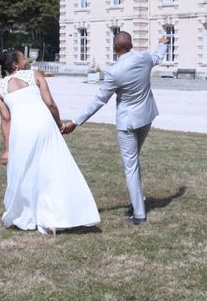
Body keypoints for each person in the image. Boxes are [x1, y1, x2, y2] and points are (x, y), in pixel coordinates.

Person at [61, 32, 168, 225]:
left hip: (128, 123)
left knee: (131, 166)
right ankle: (139, 201)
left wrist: (76, 122)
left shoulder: (114, 72)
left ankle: (139, 214)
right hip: (146, 117)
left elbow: (99, 100)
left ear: (114, 48)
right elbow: (158, 56)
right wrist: (162, 43)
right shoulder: (144, 58)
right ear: (132, 44)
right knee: (134, 162)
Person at [0, 49, 100, 235]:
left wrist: (7, 149)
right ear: (16, 64)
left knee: (27, 172)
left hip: (21, 132)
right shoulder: (35, 75)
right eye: (23, 58)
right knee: (53, 168)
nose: (27, 60)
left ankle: (30, 214)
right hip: (43, 125)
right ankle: (56, 216)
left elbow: (5, 120)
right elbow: (50, 103)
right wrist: (59, 125)